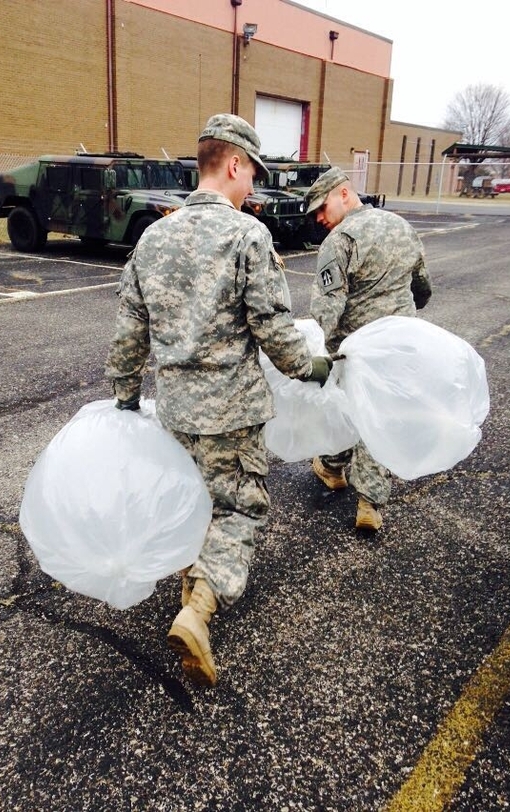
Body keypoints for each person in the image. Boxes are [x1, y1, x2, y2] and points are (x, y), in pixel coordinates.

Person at [104, 114, 333, 687]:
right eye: (251, 172)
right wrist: (311, 368)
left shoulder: (153, 236)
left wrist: (126, 396)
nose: (252, 184)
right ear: (233, 164)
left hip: (177, 408)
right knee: (237, 507)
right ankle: (198, 608)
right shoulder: (247, 236)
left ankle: (189, 581)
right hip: (232, 410)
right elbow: (272, 325)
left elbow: (130, 329)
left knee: (191, 498)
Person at [306, 166, 432, 531]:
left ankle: (333, 468)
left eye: (321, 206)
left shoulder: (340, 240)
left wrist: (318, 351)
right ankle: (369, 502)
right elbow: (422, 287)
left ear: (344, 194)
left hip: (356, 349)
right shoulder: (401, 226)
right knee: (382, 414)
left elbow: (326, 309)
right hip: (398, 343)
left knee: (348, 408)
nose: (318, 217)